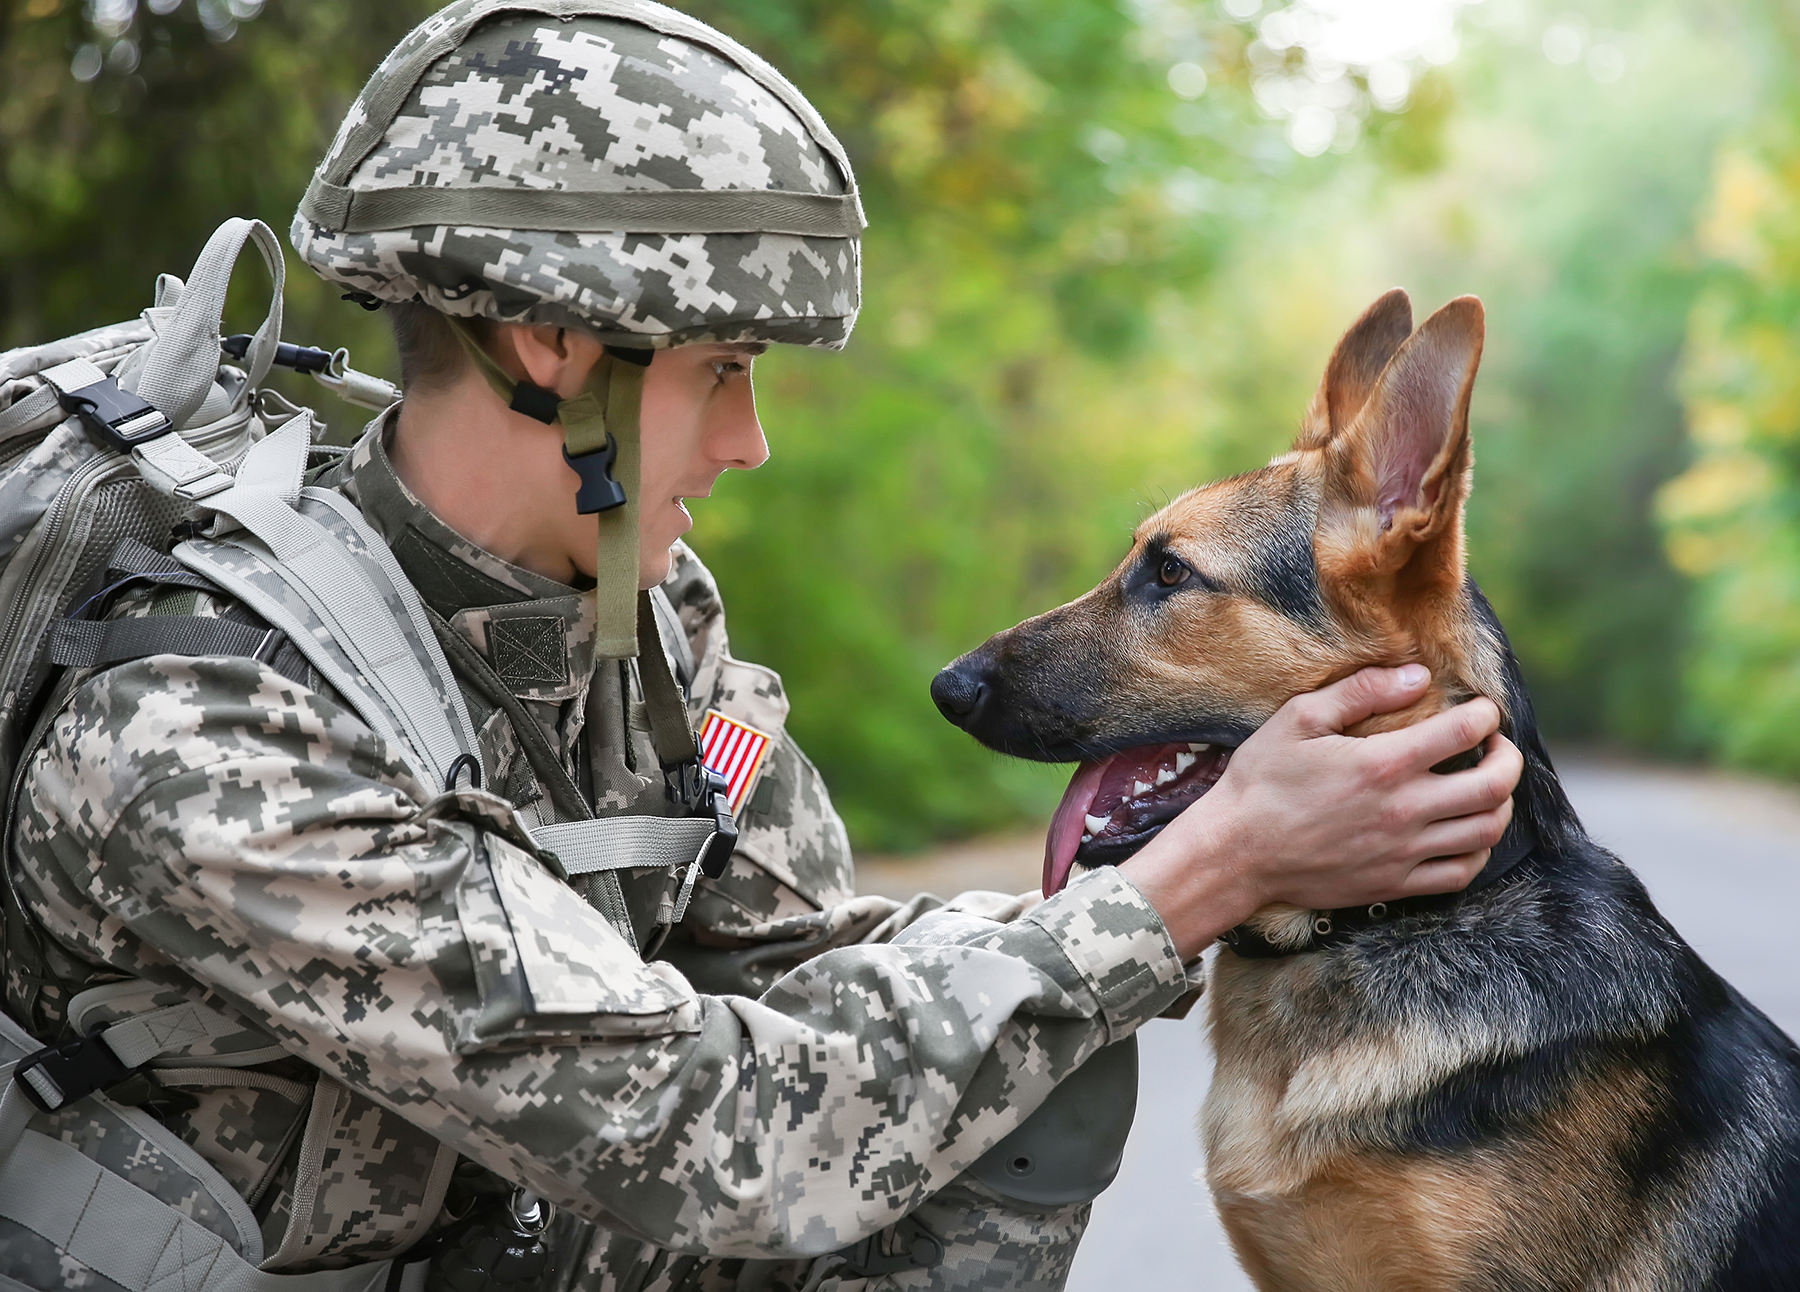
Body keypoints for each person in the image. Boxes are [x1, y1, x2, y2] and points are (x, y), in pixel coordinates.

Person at [4, 1, 1522, 1288]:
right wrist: (1208, 878)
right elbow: (690, 1120)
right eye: (725, 373)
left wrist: (1235, 852)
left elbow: (798, 958)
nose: (753, 443)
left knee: (1028, 1061)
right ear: (556, 353)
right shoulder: (207, 724)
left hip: (499, 1233)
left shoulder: (633, 622)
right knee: (1017, 1024)